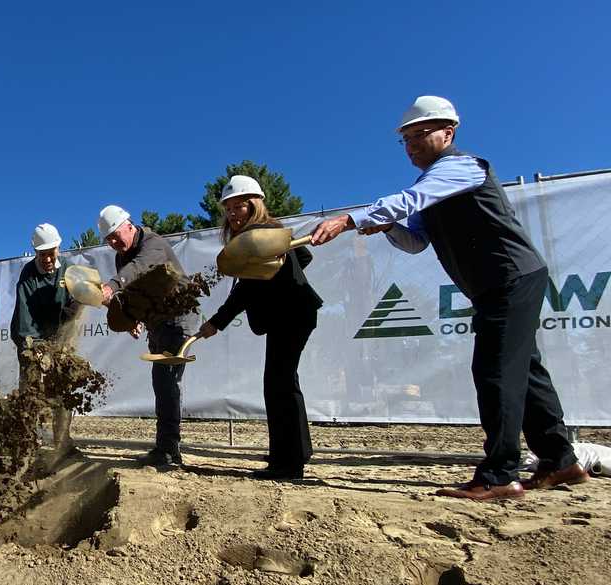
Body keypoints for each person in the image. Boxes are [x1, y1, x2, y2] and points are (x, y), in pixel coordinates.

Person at [311, 95, 587, 500]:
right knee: (525, 371)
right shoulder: (433, 187)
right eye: (405, 140)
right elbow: (415, 241)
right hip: (496, 285)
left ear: (448, 132)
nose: (412, 145)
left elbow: (408, 201)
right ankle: (561, 461)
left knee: (495, 373)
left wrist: (350, 219)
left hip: (510, 276)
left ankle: (498, 475)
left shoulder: (460, 168)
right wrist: (386, 227)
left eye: (420, 135)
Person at [199, 176, 322, 480]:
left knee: (280, 384)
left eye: (238, 206)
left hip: (291, 313)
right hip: (293, 312)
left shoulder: (257, 237)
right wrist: (281, 274)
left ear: (254, 204)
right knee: (281, 382)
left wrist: (216, 322)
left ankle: (289, 463)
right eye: (228, 209)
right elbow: (303, 256)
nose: (232, 214)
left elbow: (246, 292)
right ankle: (291, 454)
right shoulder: (273, 231)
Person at [98, 205, 198, 467]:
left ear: (129, 226)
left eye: (116, 235)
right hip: (157, 322)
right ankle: (166, 447)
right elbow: (136, 293)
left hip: (179, 318)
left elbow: (141, 267)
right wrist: (132, 319)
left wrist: (111, 286)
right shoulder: (122, 256)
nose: (113, 242)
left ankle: (168, 451)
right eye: (108, 240)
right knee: (161, 383)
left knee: (166, 382)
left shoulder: (153, 243)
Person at [10, 223, 75, 381]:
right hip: (31, 335)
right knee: (32, 384)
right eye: (42, 254)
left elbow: (75, 305)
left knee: (59, 383)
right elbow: (25, 317)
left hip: (58, 334)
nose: (47, 259)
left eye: (51, 253)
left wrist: (65, 343)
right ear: (36, 252)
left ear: (58, 248)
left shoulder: (68, 269)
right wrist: (35, 348)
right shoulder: (28, 274)